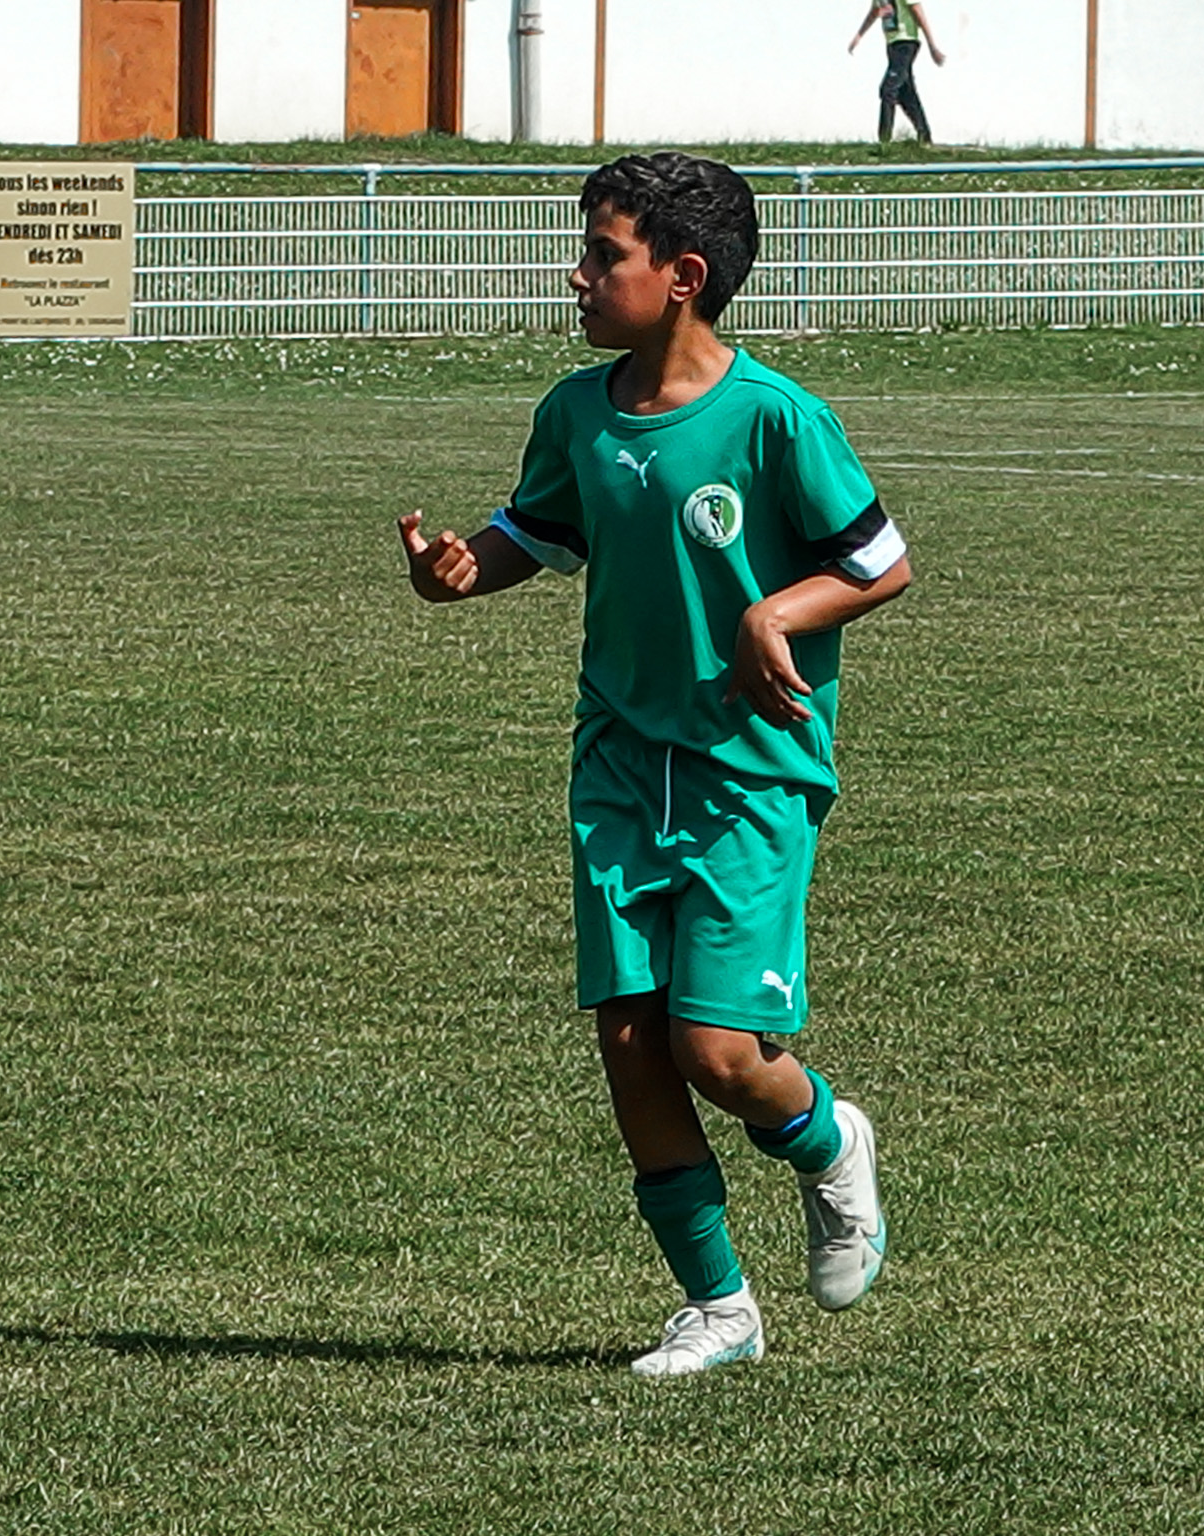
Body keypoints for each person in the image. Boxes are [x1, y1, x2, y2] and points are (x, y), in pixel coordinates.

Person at [397, 152, 912, 1378]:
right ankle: (718, 1307)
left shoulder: (775, 418)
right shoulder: (576, 409)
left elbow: (880, 561)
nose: (576, 275)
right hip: (620, 765)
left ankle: (827, 1138)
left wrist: (772, 614)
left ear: (681, 278)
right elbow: (540, 528)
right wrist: (467, 566)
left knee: (716, 1051)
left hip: (750, 774)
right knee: (629, 1040)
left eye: (601, 255)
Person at [849, 0, 946, 144]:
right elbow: (875, 12)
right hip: (892, 44)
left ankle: (884, 140)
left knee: (888, 89)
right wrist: (858, 36)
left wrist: (932, 46)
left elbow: (918, 11)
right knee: (906, 93)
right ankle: (925, 136)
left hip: (906, 42)